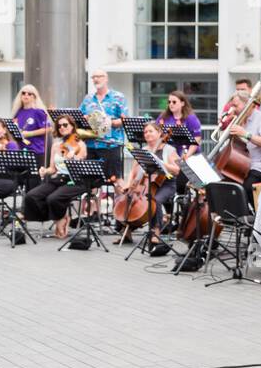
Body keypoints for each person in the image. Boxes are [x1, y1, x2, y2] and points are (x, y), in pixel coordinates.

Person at [114, 121, 181, 253]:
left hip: (166, 184)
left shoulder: (169, 149)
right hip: (145, 183)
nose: (147, 134)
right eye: (145, 132)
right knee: (123, 198)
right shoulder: (143, 150)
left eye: (151, 131)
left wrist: (162, 163)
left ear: (159, 133)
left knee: (154, 200)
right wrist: (129, 184)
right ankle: (126, 231)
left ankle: (155, 232)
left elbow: (177, 170)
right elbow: (134, 171)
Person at [23, 113, 89, 239]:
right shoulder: (55, 145)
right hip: (59, 179)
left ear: (72, 126)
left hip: (75, 180)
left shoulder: (80, 144)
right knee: (31, 196)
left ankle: (60, 221)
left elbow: (81, 163)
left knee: (53, 199)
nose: (62, 128)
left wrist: (73, 157)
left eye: (65, 125)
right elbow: (53, 169)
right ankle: (60, 217)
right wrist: (44, 170)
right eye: (59, 126)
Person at [226, 91, 261, 202]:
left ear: (248, 104)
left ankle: (253, 217)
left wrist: (245, 134)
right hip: (243, 166)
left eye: (236, 106)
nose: (233, 109)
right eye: (232, 106)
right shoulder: (239, 121)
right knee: (225, 187)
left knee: (245, 189)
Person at [80, 69, 129, 181]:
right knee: (91, 181)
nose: (96, 79)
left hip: (111, 144)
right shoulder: (88, 98)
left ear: (106, 78)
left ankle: (121, 199)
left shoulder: (118, 97)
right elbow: (80, 117)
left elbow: (124, 120)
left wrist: (104, 122)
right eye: (93, 77)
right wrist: (85, 120)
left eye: (99, 76)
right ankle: (92, 199)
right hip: (91, 144)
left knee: (115, 180)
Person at [154, 89, 203, 160]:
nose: (171, 104)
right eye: (169, 102)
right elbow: (158, 135)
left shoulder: (191, 118)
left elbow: (197, 138)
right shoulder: (163, 117)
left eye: (174, 102)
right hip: (170, 154)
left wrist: (187, 155)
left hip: (190, 155)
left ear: (182, 103)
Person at [12, 84, 51, 166]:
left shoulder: (38, 112)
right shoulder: (18, 112)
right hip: (20, 150)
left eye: (29, 94)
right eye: (23, 93)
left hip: (35, 150)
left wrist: (30, 133)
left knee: (34, 177)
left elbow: (48, 128)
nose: (26, 95)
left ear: (34, 97)